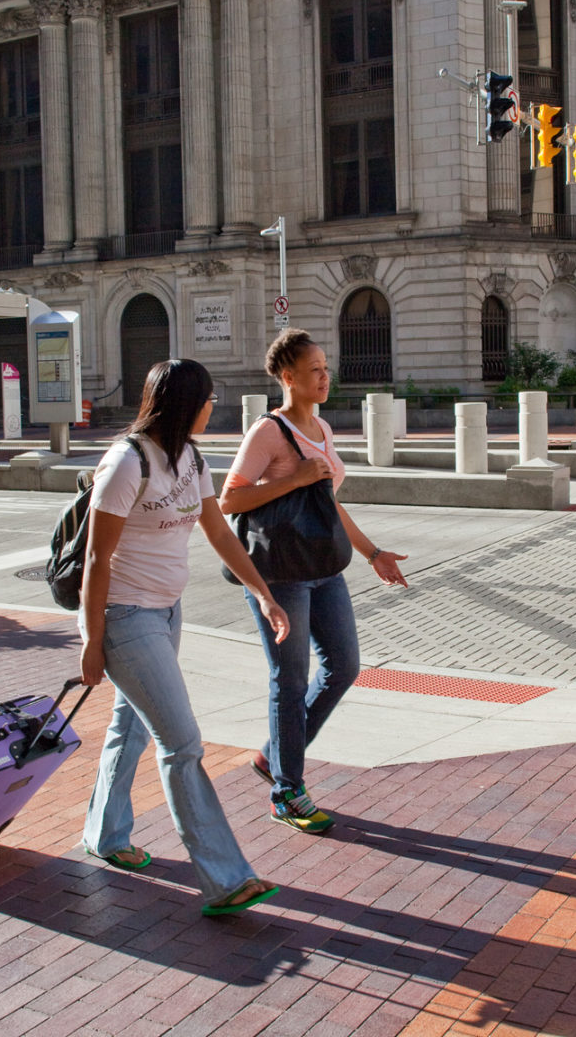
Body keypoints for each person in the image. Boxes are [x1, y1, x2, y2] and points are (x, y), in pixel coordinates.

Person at [79, 358, 289, 917]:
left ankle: (105, 834)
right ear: (186, 405)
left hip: (167, 613)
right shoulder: (127, 462)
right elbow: (97, 559)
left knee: (131, 726)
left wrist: (264, 592)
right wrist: (92, 638)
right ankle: (225, 879)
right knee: (183, 743)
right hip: (125, 618)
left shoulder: (191, 459)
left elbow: (217, 528)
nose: (212, 407)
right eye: (207, 399)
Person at [219, 330, 409, 835]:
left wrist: (373, 553)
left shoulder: (322, 427)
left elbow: (327, 502)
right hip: (280, 575)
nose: (326, 377)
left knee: (344, 667)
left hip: (324, 569)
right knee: (290, 679)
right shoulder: (268, 432)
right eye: (315, 370)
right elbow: (228, 501)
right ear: (288, 377)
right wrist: (293, 479)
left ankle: (273, 755)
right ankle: (287, 792)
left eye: (326, 367)